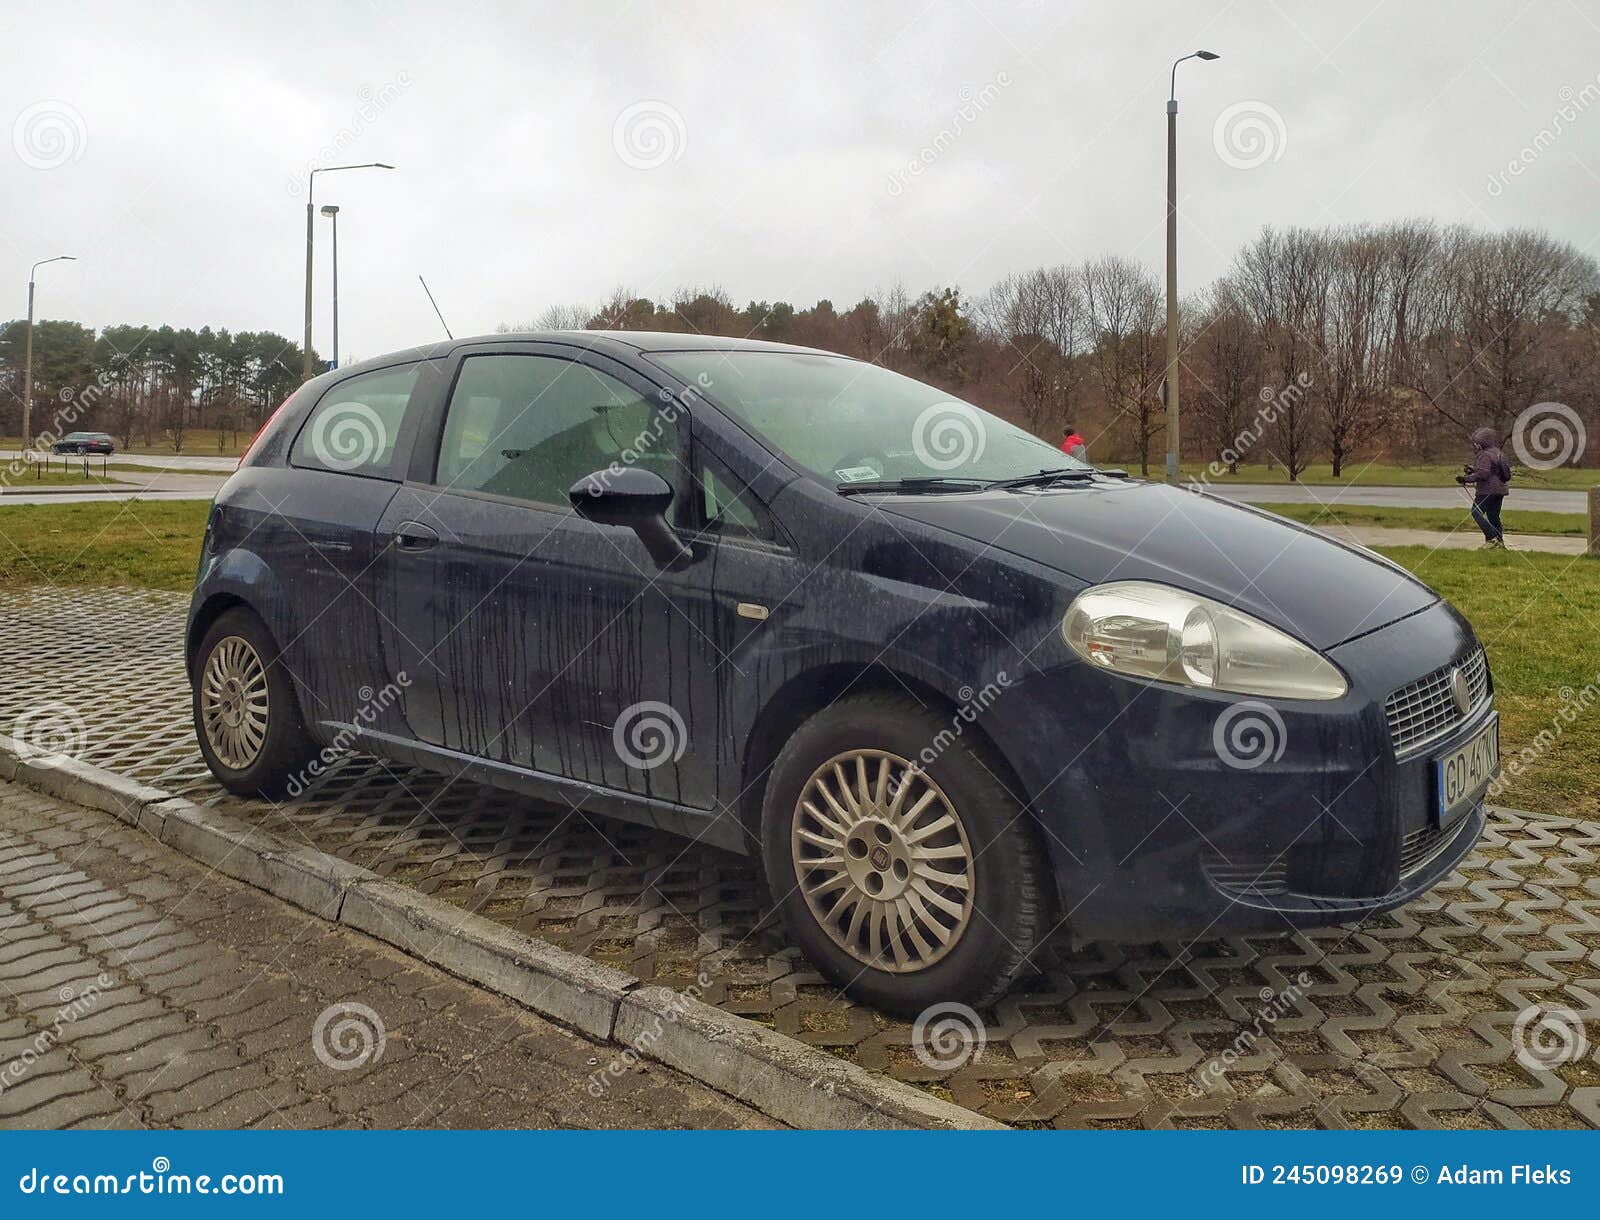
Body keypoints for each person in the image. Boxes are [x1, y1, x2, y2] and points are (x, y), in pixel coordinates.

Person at [1457, 426, 1511, 548]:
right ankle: (1499, 543)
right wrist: (1474, 470)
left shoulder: (1485, 454)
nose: (1476, 445)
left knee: (1476, 512)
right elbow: (1492, 471)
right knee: (1493, 516)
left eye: (1477, 442)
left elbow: (1484, 474)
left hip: (1487, 490)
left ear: (1482, 442)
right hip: (1501, 490)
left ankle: (1492, 539)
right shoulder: (1498, 453)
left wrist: (1465, 479)